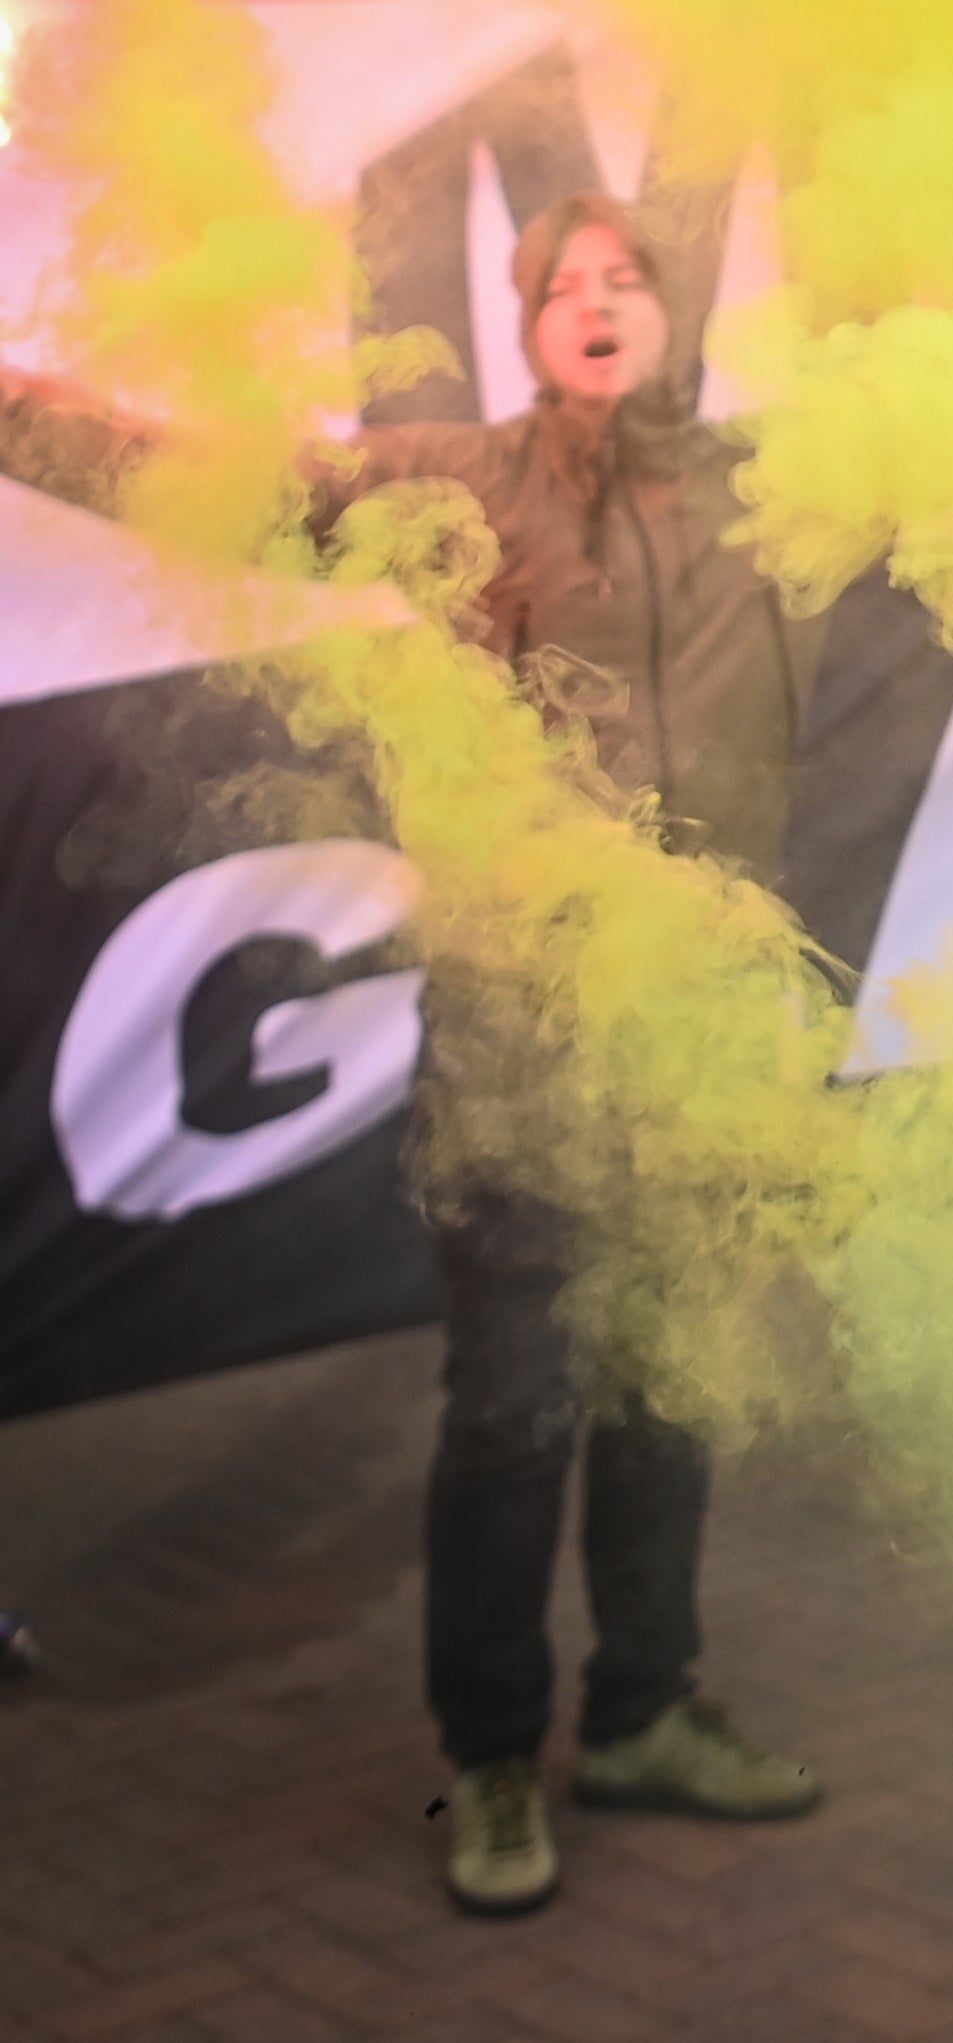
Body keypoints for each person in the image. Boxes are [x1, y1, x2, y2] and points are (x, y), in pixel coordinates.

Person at [5, 198, 829, 1914]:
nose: (596, 303)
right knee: (517, 1411)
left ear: (675, 310)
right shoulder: (457, 478)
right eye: (561, 286)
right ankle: (491, 1762)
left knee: (668, 1383)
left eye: (626, 277)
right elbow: (204, 476)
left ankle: (645, 1710)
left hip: (701, 1030)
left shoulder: (756, 484)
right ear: (523, 325)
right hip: (526, 1036)